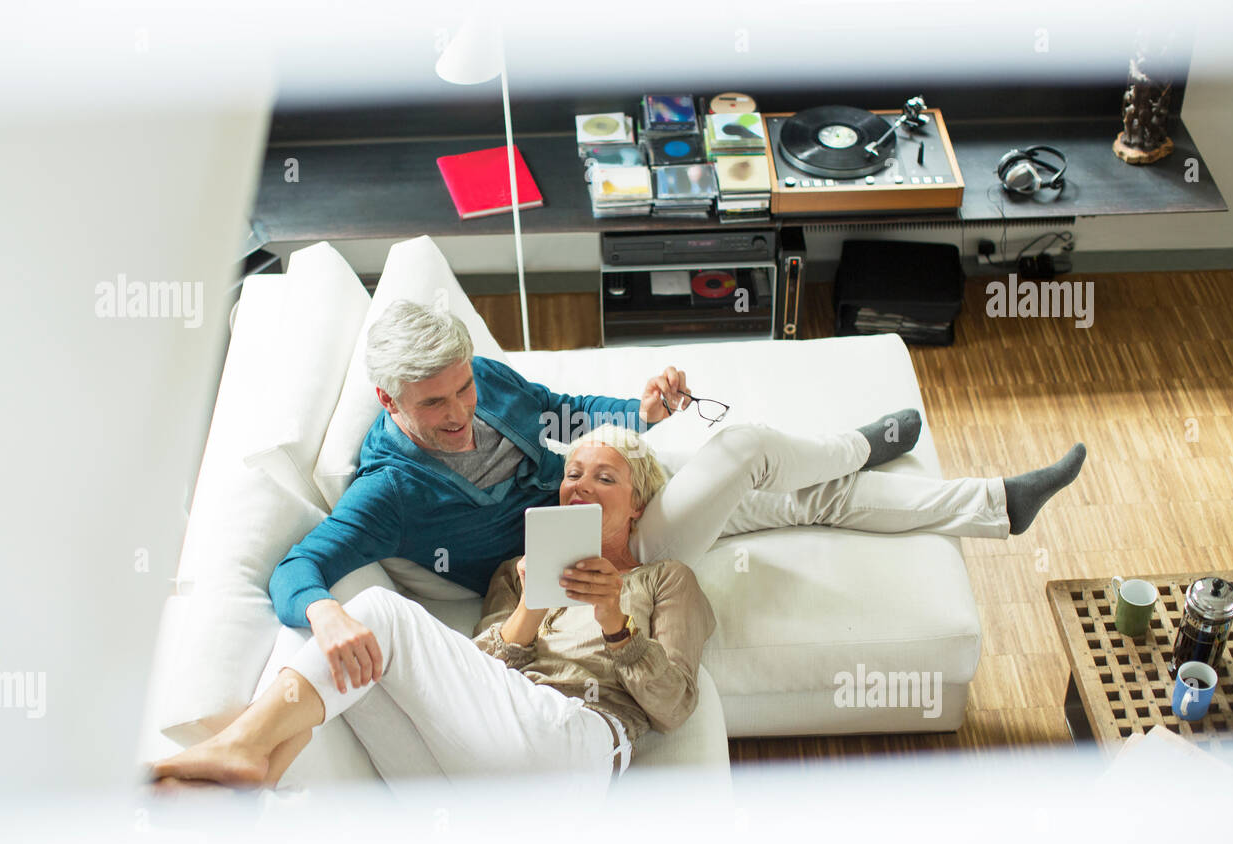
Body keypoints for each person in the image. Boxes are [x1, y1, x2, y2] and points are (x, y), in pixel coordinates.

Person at [272, 299, 1085, 696]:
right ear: (389, 403)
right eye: (434, 406)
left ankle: (997, 506)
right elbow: (297, 566)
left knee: (803, 501)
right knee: (749, 449)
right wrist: (328, 612)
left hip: (612, 505)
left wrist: (644, 415)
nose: (461, 417)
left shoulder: (477, 379)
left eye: (462, 391)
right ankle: (865, 443)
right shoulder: (388, 491)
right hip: (612, 563)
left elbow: (561, 409)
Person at [152, 425, 714, 796]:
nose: (579, 486)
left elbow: (674, 706)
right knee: (356, 664)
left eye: (605, 477)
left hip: (573, 751)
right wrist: (529, 609)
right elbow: (475, 676)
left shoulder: (664, 579)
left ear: (638, 503)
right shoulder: (516, 572)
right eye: (572, 474)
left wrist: (615, 621)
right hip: (476, 781)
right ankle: (249, 778)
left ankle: (242, 746)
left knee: (377, 613)